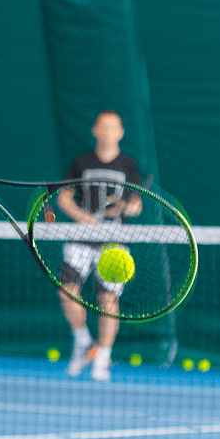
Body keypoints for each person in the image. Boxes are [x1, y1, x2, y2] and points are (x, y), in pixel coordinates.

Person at [55, 110, 142, 382]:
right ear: (95, 130)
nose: (107, 132)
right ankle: (82, 341)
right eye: (103, 127)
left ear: (120, 133)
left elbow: (137, 205)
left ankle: (103, 355)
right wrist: (83, 218)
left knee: (108, 300)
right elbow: (64, 198)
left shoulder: (129, 166)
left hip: (114, 244)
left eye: (113, 128)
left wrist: (128, 206)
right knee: (67, 291)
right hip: (81, 238)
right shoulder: (81, 162)